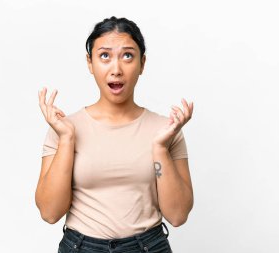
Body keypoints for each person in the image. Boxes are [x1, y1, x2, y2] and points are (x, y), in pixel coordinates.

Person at [35, 16, 194, 253]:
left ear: (142, 63)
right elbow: (49, 212)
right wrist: (67, 139)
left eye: (128, 55)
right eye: (105, 56)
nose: (116, 69)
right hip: (81, 247)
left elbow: (178, 215)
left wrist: (160, 148)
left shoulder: (166, 130)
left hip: (148, 246)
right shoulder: (65, 128)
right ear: (90, 63)